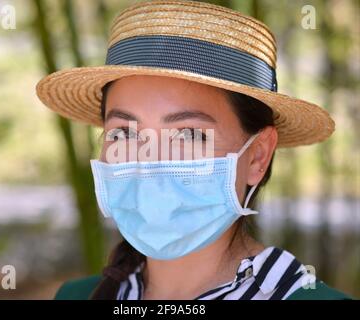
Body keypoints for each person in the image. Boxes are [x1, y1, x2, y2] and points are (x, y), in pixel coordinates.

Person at [36, 0, 351, 300]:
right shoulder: (76, 295)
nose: (149, 160)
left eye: (188, 134)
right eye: (124, 133)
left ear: (257, 156)